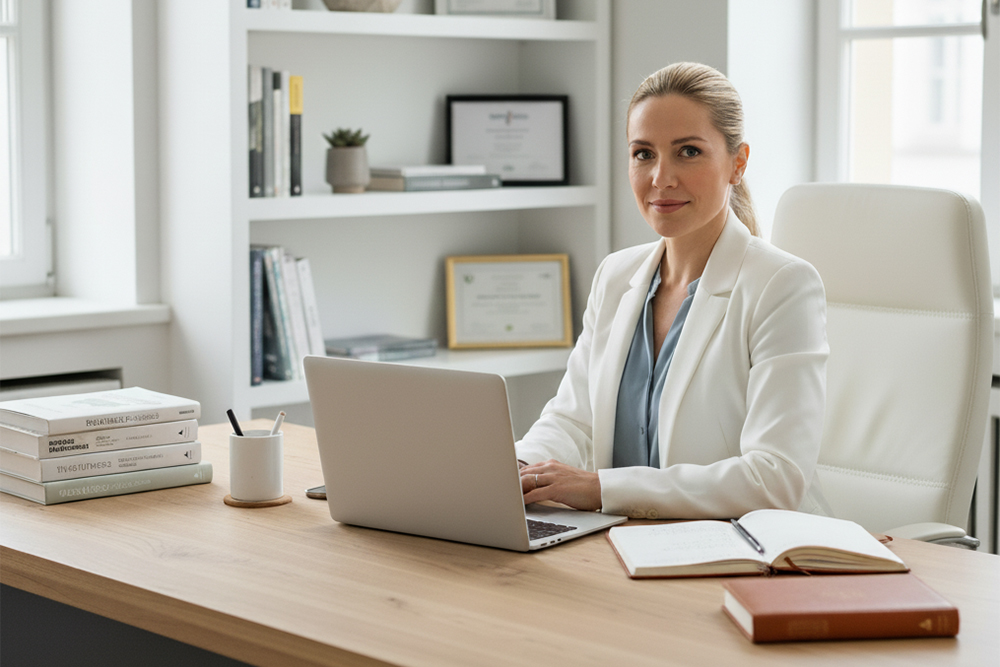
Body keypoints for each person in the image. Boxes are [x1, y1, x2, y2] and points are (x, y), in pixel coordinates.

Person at [516, 62, 830, 520]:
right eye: (643, 153)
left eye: (687, 152)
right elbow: (572, 420)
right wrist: (520, 467)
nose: (661, 177)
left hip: (742, 556)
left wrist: (599, 487)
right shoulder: (616, 276)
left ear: (737, 163)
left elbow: (774, 477)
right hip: (621, 548)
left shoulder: (781, 286)